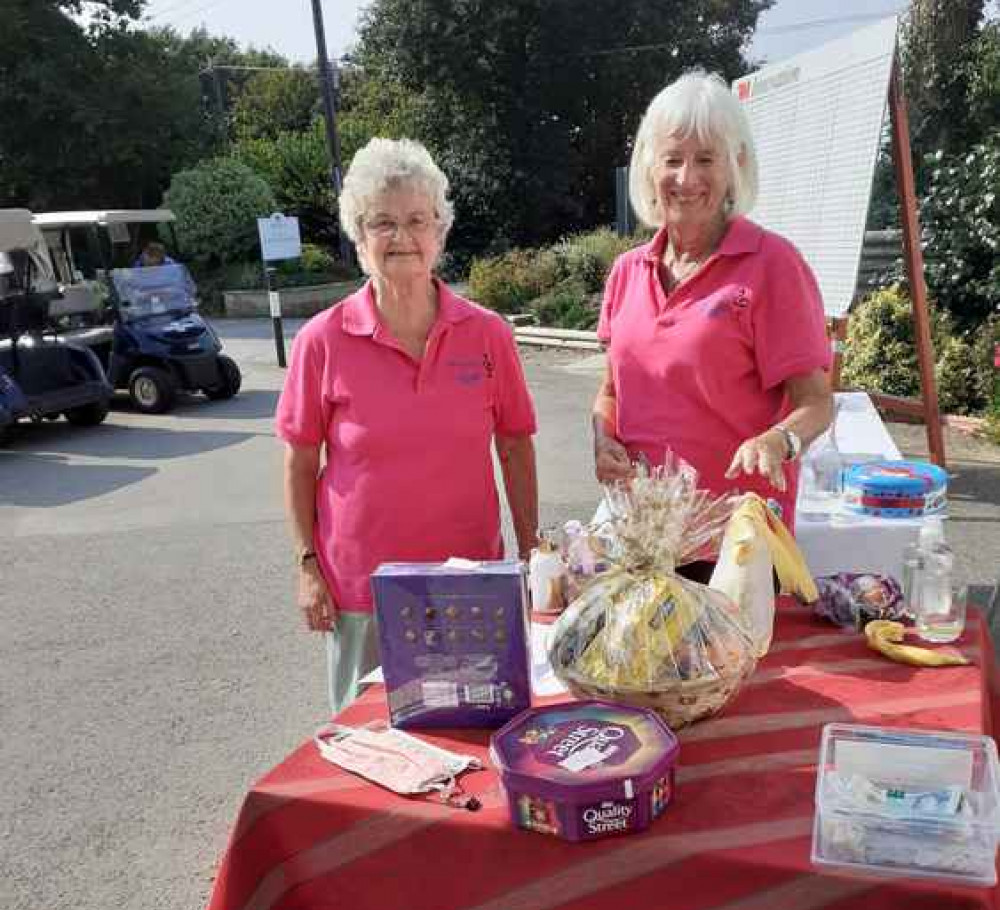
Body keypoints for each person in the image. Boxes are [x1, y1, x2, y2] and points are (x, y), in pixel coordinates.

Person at [276, 138, 539, 714]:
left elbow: (515, 444)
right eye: (383, 223)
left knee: (474, 724)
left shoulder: (487, 333)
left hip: (470, 583)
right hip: (362, 589)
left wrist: (531, 553)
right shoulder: (323, 339)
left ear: (439, 230)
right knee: (371, 743)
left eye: (417, 220)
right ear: (360, 236)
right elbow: (300, 462)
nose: (401, 237)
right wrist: (307, 567)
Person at [593, 70, 833, 564]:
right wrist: (601, 437)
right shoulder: (626, 272)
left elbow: (816, 402)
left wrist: (779, 439)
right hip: (644, 538)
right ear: (649, 168)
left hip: (734, 546)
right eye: (672, 160)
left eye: (706, 159)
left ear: (735, 166)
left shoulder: (773, 265)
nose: (687, 179)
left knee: (724, 647)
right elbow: (612, 390)